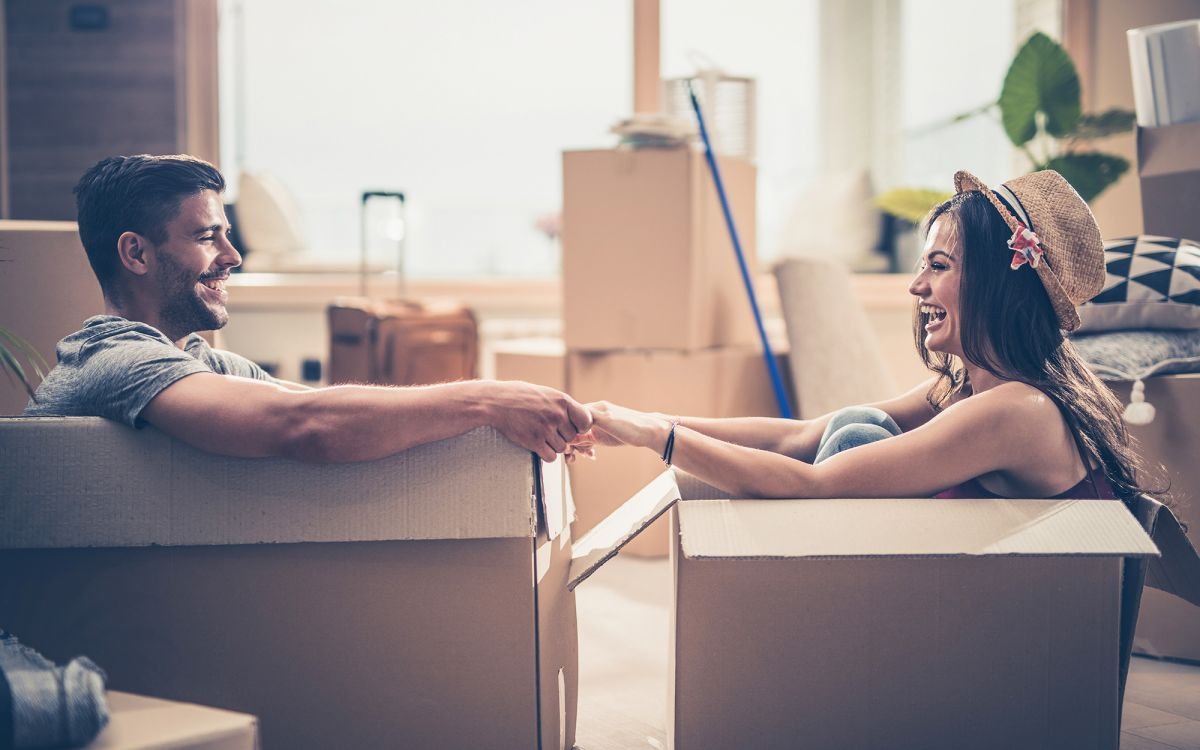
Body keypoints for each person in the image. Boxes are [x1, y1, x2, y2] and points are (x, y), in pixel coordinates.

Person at [575, 169, 1148, 501]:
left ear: (998, 284)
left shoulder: (1017, 410)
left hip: (1018, 645)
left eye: (940, 266)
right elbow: (798, 436)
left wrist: (659, 439)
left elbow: (813, 484)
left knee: (855, 440)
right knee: (855, 425)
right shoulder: (968, 393)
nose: (917, 287)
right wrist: (644, 423)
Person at [25, 154, 590, 463]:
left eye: (228, 234)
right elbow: (305, 427)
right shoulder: (113, 359)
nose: (233, 255)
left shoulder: (199, 360)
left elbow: (315, 402)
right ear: (136, 253)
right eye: (206, 238)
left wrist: (553, 412)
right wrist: (487, 398)